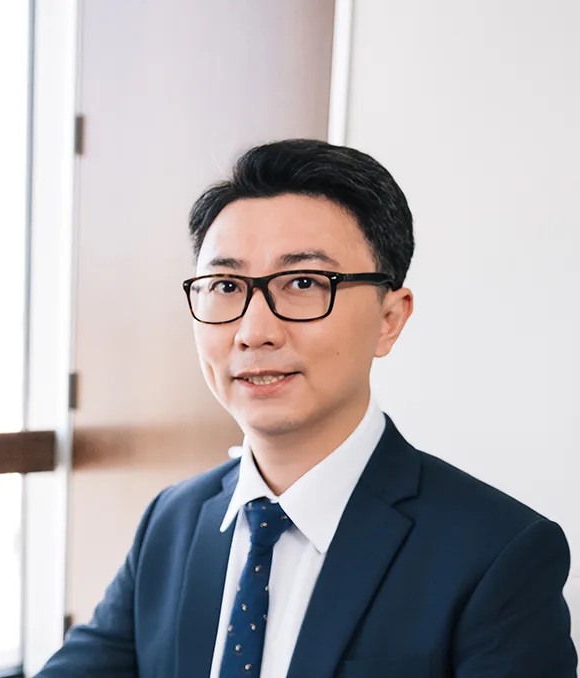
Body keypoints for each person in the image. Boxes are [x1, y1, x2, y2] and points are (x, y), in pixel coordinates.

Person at [36, 139, 576, 677]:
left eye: (304, 282)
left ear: (389, 319)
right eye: (226, 285)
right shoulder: (172, 520)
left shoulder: (496, 553)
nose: (254, 332)